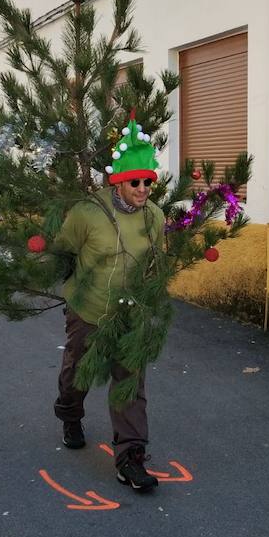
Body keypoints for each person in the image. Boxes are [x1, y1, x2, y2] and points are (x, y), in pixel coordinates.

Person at [53, 112, 165, 492]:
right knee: (78, 373)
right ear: (118, 181)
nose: (143, 188)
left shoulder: (154, 217)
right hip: (87, 310)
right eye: (135, 181)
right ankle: (70, 413)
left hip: (130, 313)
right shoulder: (88, 212)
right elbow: (63, 251)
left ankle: (130, 458)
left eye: (148, 181)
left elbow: (155, 265)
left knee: (130, 384)